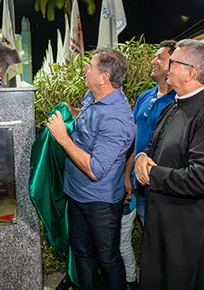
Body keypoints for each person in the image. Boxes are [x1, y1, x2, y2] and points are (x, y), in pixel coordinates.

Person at [135, 39, 204, 290]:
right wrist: (141, 157)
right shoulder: (174, 106)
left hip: (189, 232)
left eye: (173, 63)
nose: (167, 68)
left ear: (191, 72)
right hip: (166, 222)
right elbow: (154, 147)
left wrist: (153, 174)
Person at [47, 48, 134, 290]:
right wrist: (69, 111)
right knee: (82, 252)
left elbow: (96, 169)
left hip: (100, 203)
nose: (86, 70)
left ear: (104, 77)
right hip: (76, 194)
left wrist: (64, 139)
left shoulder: (116, 119)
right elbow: (85, 121)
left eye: (90, 66)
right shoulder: (93, 95)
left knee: (107, 259)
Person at [120, 40, 176, 288]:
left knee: (163, 242)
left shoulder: (178, 101)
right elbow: (132, 139)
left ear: (173, 65)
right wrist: (126, 176)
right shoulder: (145, 96)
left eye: (159, 58)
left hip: (160, 187)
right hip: (136, 185)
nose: (154, 61)